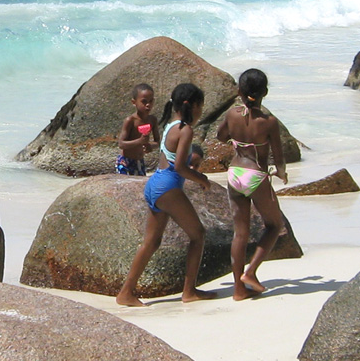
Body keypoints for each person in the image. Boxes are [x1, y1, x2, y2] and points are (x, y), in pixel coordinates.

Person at [116, 83, 216, 306]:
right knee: (198, 234)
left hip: (154, 184)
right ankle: (189, 291)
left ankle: (126, 292)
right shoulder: (186, 130)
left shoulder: (171, 125)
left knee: (151, 242)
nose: (201, 112)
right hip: (168, 187)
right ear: (190, 106)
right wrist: (203, 180)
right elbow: (180, 167)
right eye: (200, 106)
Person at [216, 68, 288, 301]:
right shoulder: (269, 122)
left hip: (235, 173)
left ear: (239, 91)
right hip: (256, 175)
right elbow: (278, 155)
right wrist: (282, 173)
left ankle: (238, 290)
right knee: (274, 226)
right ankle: (251, 272)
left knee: (240, 234)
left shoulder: (232, 114)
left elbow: (220, 136)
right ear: (265, 92)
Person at [115, 83, 160, 176]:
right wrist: (140, 141)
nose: (148, 105)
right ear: (134, 102)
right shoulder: (130, 121)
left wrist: (150, 146)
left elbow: (158, 142)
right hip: (126, 162)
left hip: (140, 161)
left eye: (151, 101)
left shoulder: (152, 120)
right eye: (144, 101)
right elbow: (121, 144)